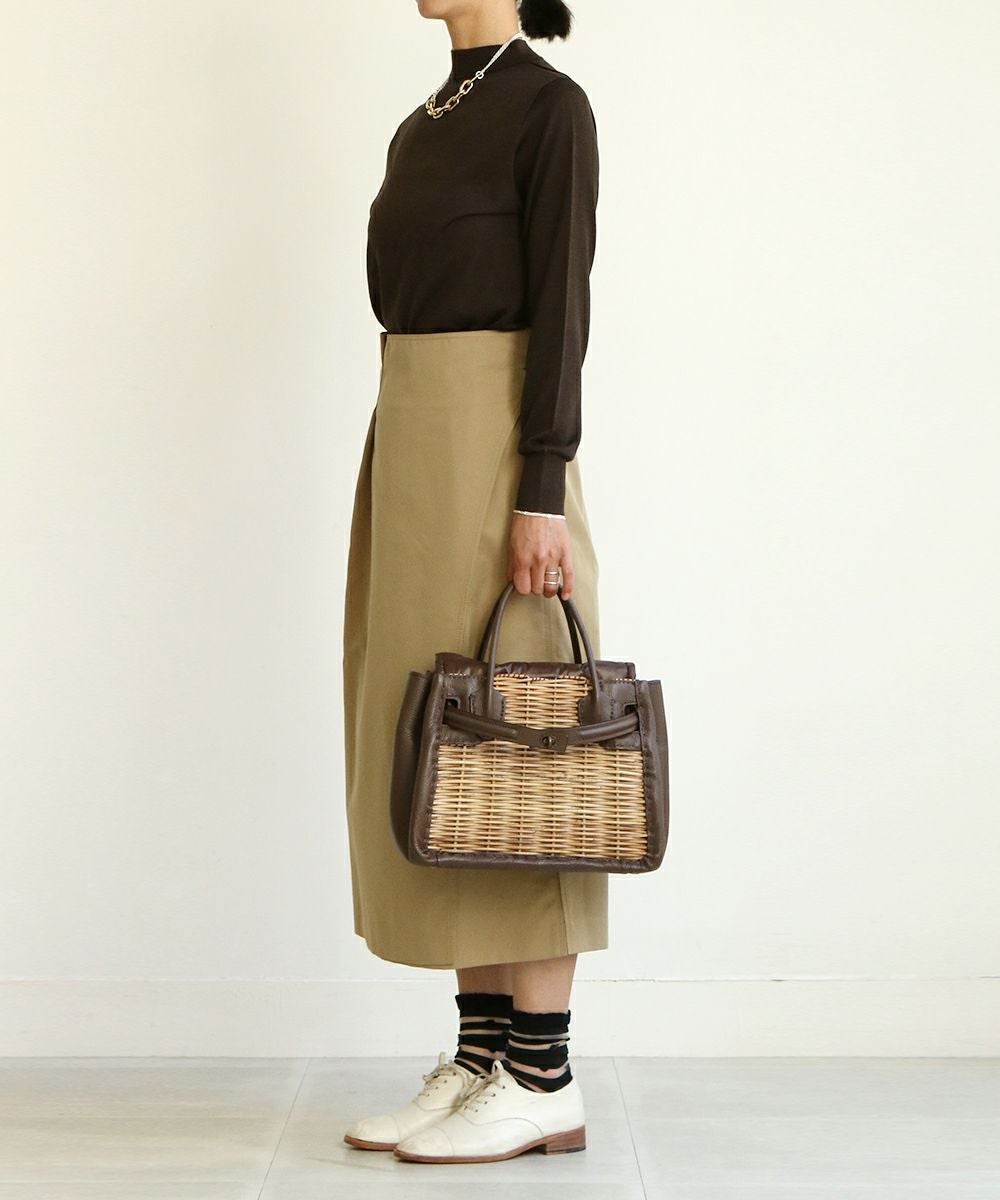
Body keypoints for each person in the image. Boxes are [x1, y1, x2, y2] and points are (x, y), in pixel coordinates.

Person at [342, 0, 605, 1163]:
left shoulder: (550, 107)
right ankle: (483, 1053)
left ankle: (543, 1074)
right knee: (438, 739)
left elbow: (563, 305)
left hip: (497, 446)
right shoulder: (424, 121)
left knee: (526, 738)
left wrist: (540, 485)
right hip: (411, 435)